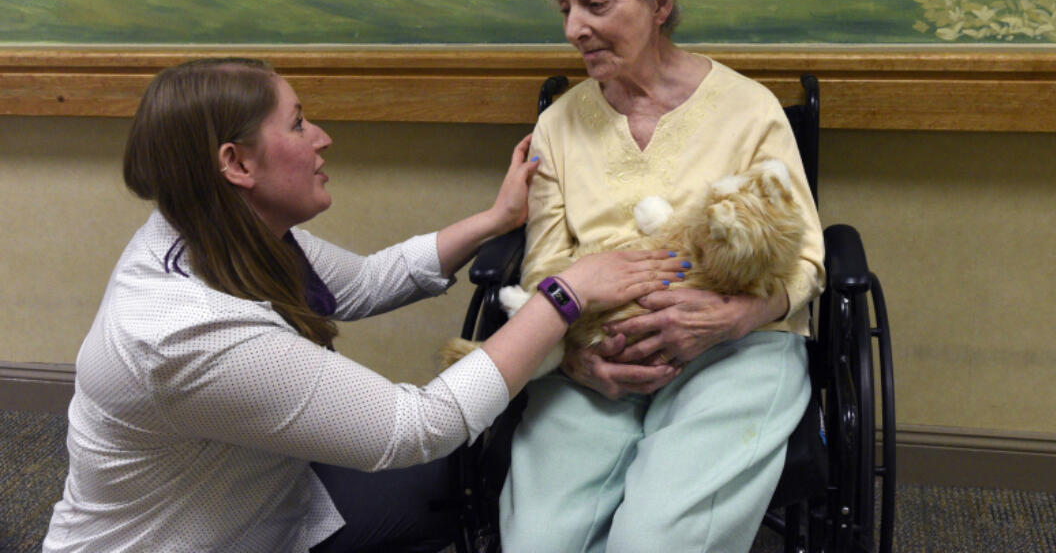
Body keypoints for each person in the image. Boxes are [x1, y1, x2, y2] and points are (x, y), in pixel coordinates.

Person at [42, 57, 676, 553]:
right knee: (440, 467)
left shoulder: (220, 227)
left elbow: (368, 281)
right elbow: (415, 427)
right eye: (296, 123)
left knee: (446, 489)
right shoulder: (185, 335)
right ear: (235, 163)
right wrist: (563, 298)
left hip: (260, 494)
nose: (323, 138)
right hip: (196, 538)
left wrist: (496, 218)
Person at [498, 0, 827, 552]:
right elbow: (542, 271)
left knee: (653, 541)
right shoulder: (559, 126)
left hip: (739, 346)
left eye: (594, 3)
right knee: (536, 544)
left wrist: (729, 318)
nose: (574, 29)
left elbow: (805, 260)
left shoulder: (747, 109)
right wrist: (575, 358)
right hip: (597, 354)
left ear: (659, 3)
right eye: (564, 8)